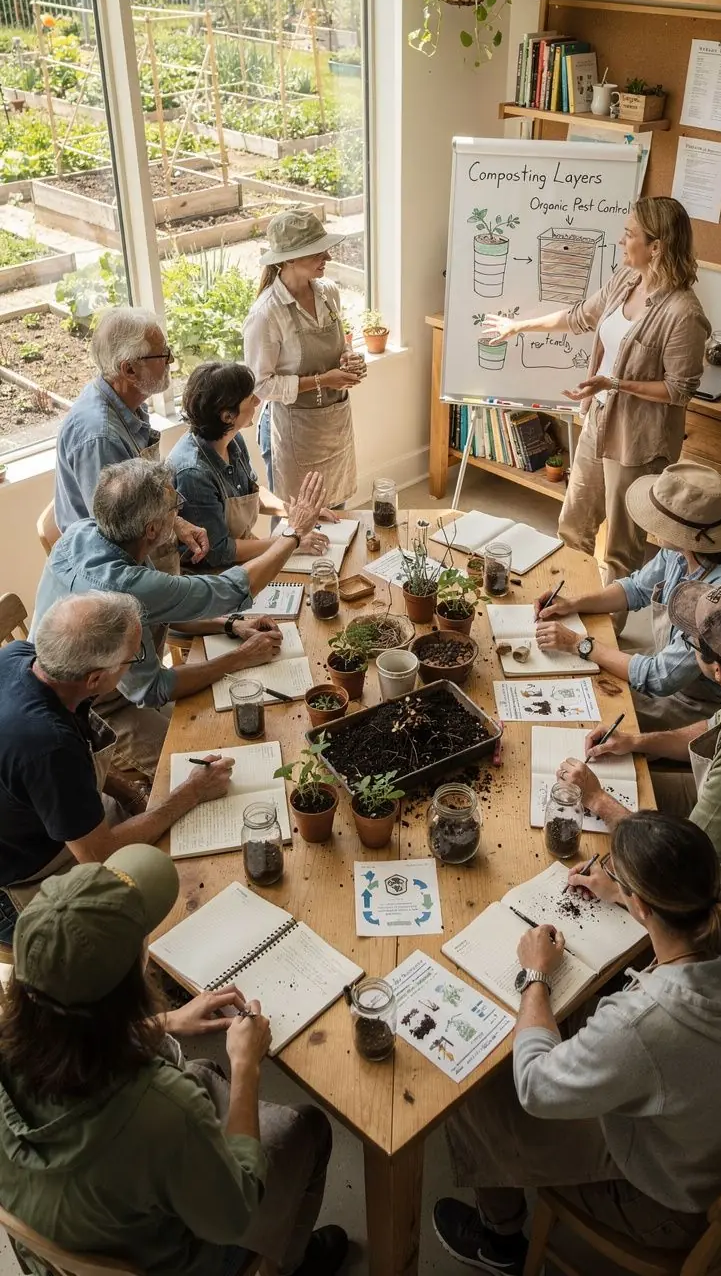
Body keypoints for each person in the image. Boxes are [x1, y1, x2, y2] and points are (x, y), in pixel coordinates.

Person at [435, 813, 721, 1274]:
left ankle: (500, 1240)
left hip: (671, 1207)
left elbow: (535, 1085)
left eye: (619, 877)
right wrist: (621, 893)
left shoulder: (647, 1022)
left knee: (478, 1086)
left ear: (643, 908)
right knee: (581, 1023)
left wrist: (536, 975)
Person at [0, 844, 348, 1276]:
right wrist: (246, 1065)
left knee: (201, 1073)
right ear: (131, 984)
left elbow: (66, 1035)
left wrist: (165, 1022)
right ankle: (287, 1263)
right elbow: (234, 1212)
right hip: (179, 1261)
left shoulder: (24, 1029)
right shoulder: (161, 1111)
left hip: (66, 1244)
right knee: (309, 1129)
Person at [32, 458, 326, 780]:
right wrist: (294, 533)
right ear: (152, 529)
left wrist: (229, 624)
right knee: (216, 764)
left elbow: (163, 608)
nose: (180, 515)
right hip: (96, 709)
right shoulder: (125, 585)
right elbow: (154, 688)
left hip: (107, 682)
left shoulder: (86, 531)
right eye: (176, 507)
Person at [482, 198, 710, 588]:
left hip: (638, 440)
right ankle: (568, 605)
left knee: (622, 548)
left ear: (656, 246)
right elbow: (578, 317)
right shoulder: (626, 282)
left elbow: (680, 390)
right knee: (573, 525)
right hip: (599, 419)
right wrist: (519, 327)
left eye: (630, 234)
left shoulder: (683, 313)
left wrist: (616, 384)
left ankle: (609, 632)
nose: (622, 241)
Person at [560, 583, 721, 929]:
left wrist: (598, 801)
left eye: (691, 641)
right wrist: (636, 741)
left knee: (604, 870)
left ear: (717, 671)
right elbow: (712, 726)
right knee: (634, 788)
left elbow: (680, 866)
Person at [0, 593, 233, 942]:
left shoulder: (22, 657)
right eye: (133, 658)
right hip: (21, 880)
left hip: (40, 819)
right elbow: (100, 854)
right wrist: (193, 790)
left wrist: (132, 793)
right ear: (95, 679)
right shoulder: (48, 745)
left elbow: (74, 764)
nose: (137, 663)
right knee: (175, 896)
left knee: (167, 822)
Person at [534, 462, 721, 729]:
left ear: (687, 534)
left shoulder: (720, 598)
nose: (652, 523)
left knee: (578, 706)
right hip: (670, 666)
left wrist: (580, 643)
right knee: (572, 675)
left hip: (699, 704)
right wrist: (574, 603)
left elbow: (659, 678)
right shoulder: (684, 551)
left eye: (661, 519)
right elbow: (636, 588)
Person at [54, 305, 209, 571]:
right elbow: (117, 539)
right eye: (164, 355)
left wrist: (177, 524)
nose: (170, 362)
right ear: (129, 370)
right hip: (111, 574)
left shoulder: (129, 403)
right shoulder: (100, 437)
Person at [243, 208, 366, 506]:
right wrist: (323, 381)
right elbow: (260, 386)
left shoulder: (329, 293)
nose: (329, 258)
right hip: (294, 431)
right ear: (288, 260)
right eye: (317, 252)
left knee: (337, 515)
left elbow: (339, 346)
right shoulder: (266, 315)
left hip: (333, 423)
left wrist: (349, 359)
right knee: (297, 522)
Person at [169, 360, 334, 570]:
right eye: (250, 399)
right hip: (212, 577)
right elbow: (219, 551)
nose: (257, 402)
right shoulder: (193, 473)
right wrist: (292, 540)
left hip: (239, 560)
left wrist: (297, 512)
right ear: (228, 416)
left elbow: (250, 494)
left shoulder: (232, 439)